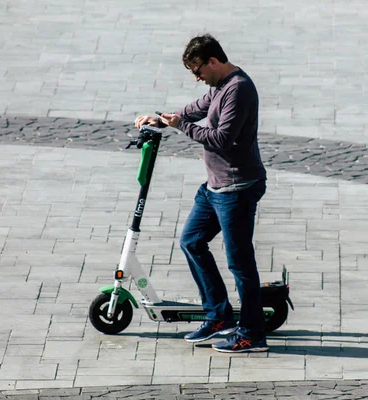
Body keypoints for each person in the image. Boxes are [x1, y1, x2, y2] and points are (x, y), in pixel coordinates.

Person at [134, 34, 268, 353]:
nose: (197, 78)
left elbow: (222, 139)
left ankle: (252, 334)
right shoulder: (220, 85)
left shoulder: (239, 89)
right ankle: (219, 315)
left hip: (236, 188)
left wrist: (182, 127)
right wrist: (164, 120)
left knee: (240, 264)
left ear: (213, 61)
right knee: (191, 241)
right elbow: (198, 108)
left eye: (198, 71)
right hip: (214, 185)